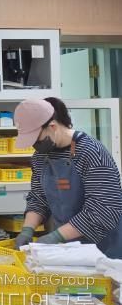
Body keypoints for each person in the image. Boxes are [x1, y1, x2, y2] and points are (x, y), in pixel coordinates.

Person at [13, 97, 122, 258]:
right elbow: (38, 198)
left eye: (36, 139)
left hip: (104, 250)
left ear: (52, 126)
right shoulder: (40, 157)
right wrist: (27, 230)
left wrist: (55, 237)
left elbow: (103, 210)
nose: (34, 145)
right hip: (67, 248)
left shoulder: (91, 152)